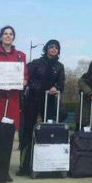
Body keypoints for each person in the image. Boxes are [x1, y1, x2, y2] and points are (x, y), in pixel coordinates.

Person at [17, 40, 65, 176]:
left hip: (48, 102)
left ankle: (46, 164)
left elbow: (61, 84)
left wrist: (56, 88)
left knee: (49, 131)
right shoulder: (36, 63)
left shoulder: (60, 66)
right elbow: (26, 78)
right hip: (32, 100)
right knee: (27, 132)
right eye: (51, 47)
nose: (54, 49)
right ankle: (24, 165)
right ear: (46, 49)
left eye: (56, 48)